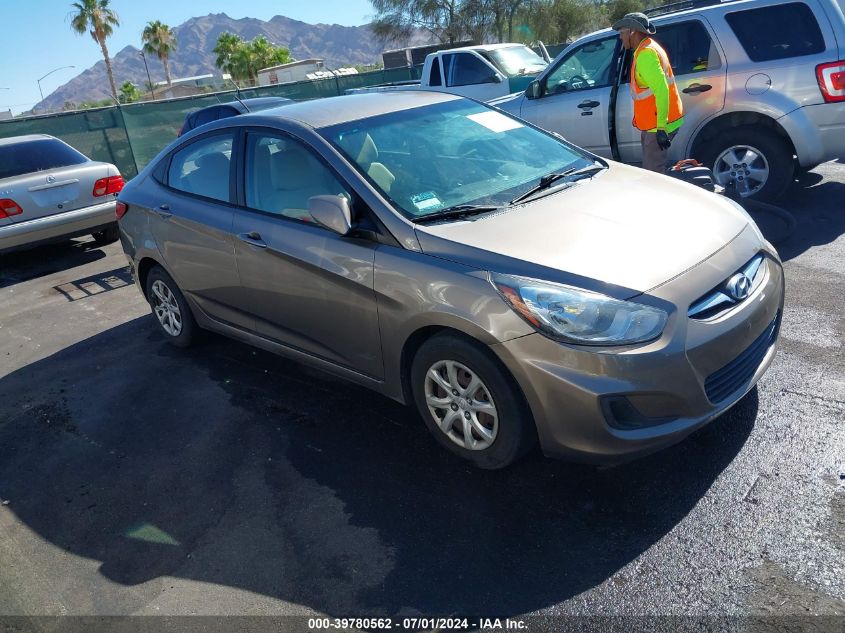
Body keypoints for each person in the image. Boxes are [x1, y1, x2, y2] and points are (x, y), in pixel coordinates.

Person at [612, 12, 684, 173]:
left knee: (653, 174)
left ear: (632, 31)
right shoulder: (650, 46)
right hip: (656, 123)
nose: (620, 37)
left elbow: (662, 90)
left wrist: (661, 128)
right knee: (652, 170)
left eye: (622, 32)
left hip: (657, 125)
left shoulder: (646, 55)